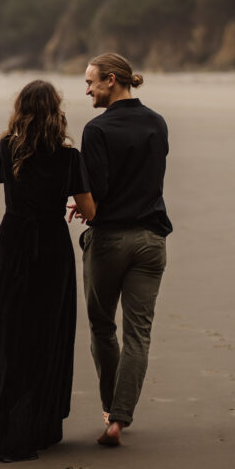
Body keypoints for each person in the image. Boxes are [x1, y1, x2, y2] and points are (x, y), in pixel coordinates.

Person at [0, 80, 95, 462]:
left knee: (5, 332)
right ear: (57, 110)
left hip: (13, 244)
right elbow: (89, 212)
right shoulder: (69, 157)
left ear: (21, 109)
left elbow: (1, 179)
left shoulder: (8, 149)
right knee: (46, 333)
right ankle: (37, 426)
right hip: (51, 247)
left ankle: (0, 428)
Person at [68, 52, 171, 447]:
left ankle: (110, 407)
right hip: (151, 240)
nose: (88, 90)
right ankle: (120, 419)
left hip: (109, 239)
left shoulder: (97, 130)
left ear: (112, 80)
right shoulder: (157, 123)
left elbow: (99, 193)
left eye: (91, 81)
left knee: (101, 326)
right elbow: (149, 178)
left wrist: (84, 205)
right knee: (139, 335)